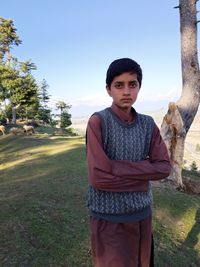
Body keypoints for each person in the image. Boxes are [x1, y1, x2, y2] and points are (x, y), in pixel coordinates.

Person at [86, 58, 171, 267]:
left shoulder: (147, 124)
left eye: (132, 84)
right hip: (109, 219)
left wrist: (115, 167)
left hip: (142, 216)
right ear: (108, 89)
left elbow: (163, 167)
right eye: (119, 85)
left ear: (139, 87)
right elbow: (98, 178)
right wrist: (143, 179)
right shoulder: (98, 122)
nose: (126, 91)